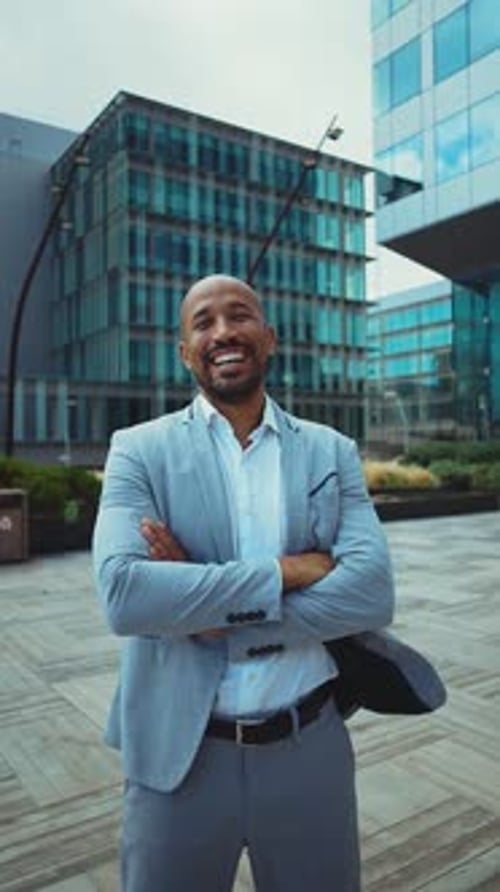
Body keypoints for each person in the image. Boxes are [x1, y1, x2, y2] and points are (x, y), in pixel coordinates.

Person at [93, 274, 395, 891]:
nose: (224, 331)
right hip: (179, 754)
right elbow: (125, 596)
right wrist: (289, 571)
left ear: (269, 337)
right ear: (184, 350)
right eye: (203, 322)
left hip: (308, 749)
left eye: (240, 315)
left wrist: (202, 612)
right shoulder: (137, 451)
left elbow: (371, 592)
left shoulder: (331, 451)